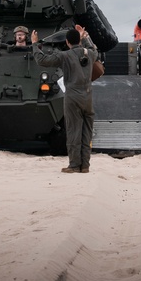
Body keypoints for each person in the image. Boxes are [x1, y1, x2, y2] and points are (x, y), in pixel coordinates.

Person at [32, 24, 97, 173]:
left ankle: (74, 165)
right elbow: (95, 51)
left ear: (67, 42)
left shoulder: (65, 55)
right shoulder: (90, 53)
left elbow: (42, 60)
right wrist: (85, 38)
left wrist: (35, 44)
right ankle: (85, 165)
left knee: (74, 130)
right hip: (88, 96)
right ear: (79, 41)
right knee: (87, 131)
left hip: (72, 96)